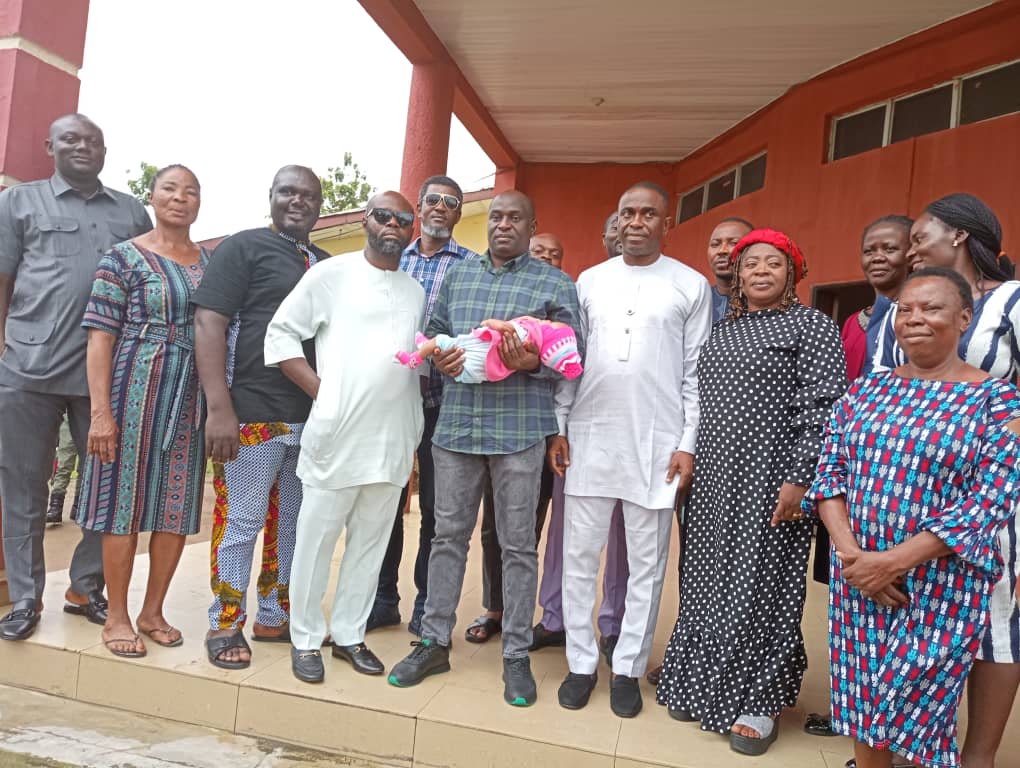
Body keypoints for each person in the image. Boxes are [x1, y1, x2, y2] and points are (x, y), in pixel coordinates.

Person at [805, 266, 1020, 768]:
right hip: (858, 579)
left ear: (964, 318)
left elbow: (990, 500)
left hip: (941, 586)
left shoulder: (997, 401)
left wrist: (893, 562)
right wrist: (855, 558)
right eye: (906, 309)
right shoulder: (863, 392)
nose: (915, 318)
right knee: (863, 702)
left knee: (919, 710)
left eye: (932, 308)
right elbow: (829, 475)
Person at [387, 190, 582, 708]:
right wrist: (444, 358)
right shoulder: (461, 275)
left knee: (517, 544)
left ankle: (516, 654)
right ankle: (433, 641)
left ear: (531, 223)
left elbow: (572, 350)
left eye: (514, 217)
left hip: (519, 431)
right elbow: (435, 335)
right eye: (495, 216)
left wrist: (529, 363)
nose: (502, 225)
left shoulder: (553, 281)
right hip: (456, 428)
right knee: (447, 536)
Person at [655, 228, 847, 755]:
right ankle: (701, 682)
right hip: (715, 479)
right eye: (751, 263)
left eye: (774, 263)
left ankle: (757, 701)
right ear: (737, 275)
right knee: (706, 579)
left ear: (792, 273)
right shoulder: (723, 329)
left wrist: (799, 478)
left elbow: (824, 408)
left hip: (771, 480)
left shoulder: (811, 326)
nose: (761, 271)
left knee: (763, 585)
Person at [551, 182, 711, 718]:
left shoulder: (690, 285)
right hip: (590, 438)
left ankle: (627, 668)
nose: (635, 221)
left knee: (647, 565)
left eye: (647, 213)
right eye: (627, 213)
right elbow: (569, 361)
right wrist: (560, 427)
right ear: (616, 221)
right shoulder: (589, 281)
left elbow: (694, 374)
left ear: (665, 222)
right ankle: (579, 664)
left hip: (657, 445)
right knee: (578, 559)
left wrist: (687, 444)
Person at [0, 114, 151, 641]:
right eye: (71, 138)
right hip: (27, 370)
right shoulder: (18, 204)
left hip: (106, 379)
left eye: (93, 141)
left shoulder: (131, 211)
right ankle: (24, 597)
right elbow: (3, 278)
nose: (83, 147)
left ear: (106, 153)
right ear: (50, 146)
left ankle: (86, 586)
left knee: (109, 486)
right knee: (22, 487)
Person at [265, 191, 425, 684]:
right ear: (366, 220)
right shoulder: (329, 276)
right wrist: (322, 392)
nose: (393, 225)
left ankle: (350, 634)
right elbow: (281, 334)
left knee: (372, 541)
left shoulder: (414, 290)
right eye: (384, 216)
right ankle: (306, 638)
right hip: (338, 434)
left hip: (393, 438)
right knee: (316, 539)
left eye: (403, 219)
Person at [192, 165, 329, 669]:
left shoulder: (324, 263)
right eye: (287, 192)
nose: (298, 201)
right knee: (242, 522)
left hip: (308, 418)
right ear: (270, 197)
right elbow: (209, 322)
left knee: (293, 524)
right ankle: (225, 621)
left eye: (308, 195)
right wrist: (219, 408)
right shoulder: (243, 247)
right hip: (250, 414)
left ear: (319, 204)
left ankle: (274, 613)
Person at [904, 193, 1020, 768]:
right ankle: (917, 745)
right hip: (913, 497)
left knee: (994, 620)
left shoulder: (1011, 303)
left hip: (993, 496)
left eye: (921, 235)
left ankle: (978, 758)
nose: (911, 246)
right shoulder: (915, 307)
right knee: (927, 615)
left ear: (956, 236)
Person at [76, 165, 207, 657]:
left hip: (188, 399)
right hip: (131, 395)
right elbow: (99, 338)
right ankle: (116, 615)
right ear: (152, 197)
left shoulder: (210, 265)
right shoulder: (123, 258)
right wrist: (100, 413)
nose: (180, 198)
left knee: (174, 507)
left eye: (191, 192)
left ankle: (153, 610)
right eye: (170, 189)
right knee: (120, 505)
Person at [368, 175, 477, 637]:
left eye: (450, 203)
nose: (439, 208)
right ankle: (382, 599)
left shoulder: (472, 267)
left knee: (436, 511)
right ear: (419, 207)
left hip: (444, 405)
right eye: (432, 200)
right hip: (391, 400)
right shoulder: (393, 259)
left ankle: (426, 605)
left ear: (457, 215)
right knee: (385, 503)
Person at [469, 232, 572, 645]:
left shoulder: (565, 308)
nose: (547, 258)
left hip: (556, 434)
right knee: (498, 525)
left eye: (556, 254)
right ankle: (496, 607)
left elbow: (571, 373)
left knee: (544, 529)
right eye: (540, 252)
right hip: (508, 432)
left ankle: (546, 615)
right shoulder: (509, 307)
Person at [397, 317, 581, 381]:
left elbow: (505, 328)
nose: (546, 321)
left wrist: (490, 322)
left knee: (440, 341)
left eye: (550, 324)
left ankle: (416, 356)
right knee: (461, 364)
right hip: (484, 371)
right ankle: (428, 350)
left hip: (477, 354)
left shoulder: (528, 332)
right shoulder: (532, 343)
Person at [706, 217, 753, 323]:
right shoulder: (697, 300)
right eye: (715, 244)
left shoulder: (766, 303)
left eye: (733, 243)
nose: (722, 250)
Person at [46, 411, 78, 525]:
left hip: (89, 414)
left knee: (86, 466)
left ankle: (78, 506)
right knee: (64, 464)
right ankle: (55, 508)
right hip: (68, 416)